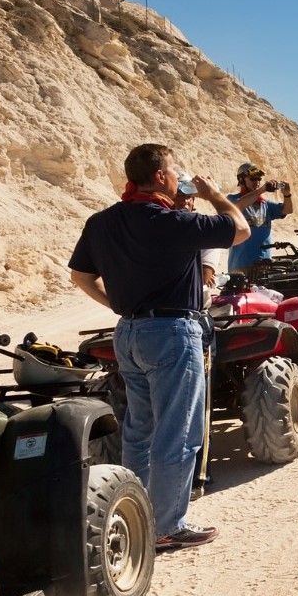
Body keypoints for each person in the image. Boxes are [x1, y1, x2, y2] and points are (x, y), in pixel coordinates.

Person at [69, 143, 249, 550]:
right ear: (163, 177)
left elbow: (80, 276)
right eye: (174, 170)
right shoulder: (175, 221)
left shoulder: (102, 222)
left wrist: (114, 303)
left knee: (140, 432)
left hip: (128, 333)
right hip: (171, 332)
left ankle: (138, 516)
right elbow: (239, 229)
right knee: (178, 433)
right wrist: (214, 194)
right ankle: (169, 524)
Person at [226, 161, 294, 273]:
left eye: (258, 179)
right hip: (241, 266)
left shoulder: (265, 203)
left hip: (264, 264)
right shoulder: (232, 200)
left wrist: (287, 194)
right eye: (253, 179)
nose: (257, 182)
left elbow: (288, 210)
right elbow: (238, 205)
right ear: (241, 180)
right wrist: (262, 189)